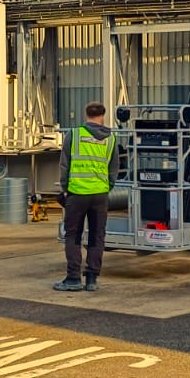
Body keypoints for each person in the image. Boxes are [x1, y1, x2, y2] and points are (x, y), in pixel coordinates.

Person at [55, 102, 117, 292]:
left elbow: (64, 165)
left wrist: (65, 189)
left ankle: (73, 278)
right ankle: (91, 279)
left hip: (77, 193)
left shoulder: (73, 135)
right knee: (97, 236)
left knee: (73, 236)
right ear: (103, 116)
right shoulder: (111, 139)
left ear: (86, 114)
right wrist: (106, 188)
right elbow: (114, 170)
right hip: (100, 195)